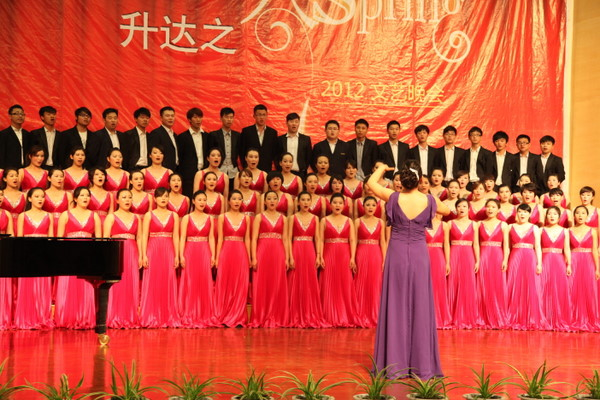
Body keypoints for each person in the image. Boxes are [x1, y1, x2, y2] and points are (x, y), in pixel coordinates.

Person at [369, 160, 450, 379]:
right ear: (419, 180)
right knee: (420, 304)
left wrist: (381, 169)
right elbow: (447, 209)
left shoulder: (393, 197)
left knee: (395, 302)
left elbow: (371, 184)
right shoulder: (428, 199)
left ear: (401, 181)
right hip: (419, 254)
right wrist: (428, 194)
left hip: (396, 253)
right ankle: (420, 364)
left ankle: (394, 363)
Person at [55, 187, 102, 329]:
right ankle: (67, 318)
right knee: (69, 285)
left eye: (87, 195)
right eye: (82, 195)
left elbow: (99, 240)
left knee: (85, 285)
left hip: (87, 255)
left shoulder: (94, 216)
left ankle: (85, 317)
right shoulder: (66, 215)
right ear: (75, 198)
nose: (85, 198)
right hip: (69, 254)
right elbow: (59, 239)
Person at [140, 187, 181, 328]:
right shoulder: (149, 215)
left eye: (166, 196)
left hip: (168, 250)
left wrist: (177, 254)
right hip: (153, 250)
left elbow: (176, 236)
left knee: (167, 280)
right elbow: (144, 235)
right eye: (160, 196)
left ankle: (167, 315)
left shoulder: (174, 215)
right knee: (153, 281)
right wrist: (144, 254)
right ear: (155, 199)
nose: (163, 199)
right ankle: (151, 315)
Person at [14, 188, 54, 329]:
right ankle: (26, 318)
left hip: (43, 254)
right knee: (27, 287)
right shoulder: (22, 216)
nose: (40, 199)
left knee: (43, 287)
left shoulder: (49, 216)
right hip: (27, 254)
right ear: (30, 199)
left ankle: (42, 318)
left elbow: (50, 239)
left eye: (42, 196)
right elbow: (19, 239)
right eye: (36, 196)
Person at [178, 190, 219, 328]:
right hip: (190, 251)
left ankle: (204, 313)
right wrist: (181, 255)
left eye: (204, 200)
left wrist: (213, 255)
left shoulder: (209, 218)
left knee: (204, 280)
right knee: (190, 281)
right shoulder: (186, 218)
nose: (202, 202)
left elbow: (211, 237)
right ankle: (189, 312)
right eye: (199, 200)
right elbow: (182, 237)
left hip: (204, 251)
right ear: (194, 201)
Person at [249, 191, 290, 327]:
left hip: (278, 252)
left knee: (277, 282)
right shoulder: (259, 217)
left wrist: (287, 257)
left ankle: (277, 316)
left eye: (274, 199)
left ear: (278, 201)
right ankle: (261, 315)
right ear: (265, 201)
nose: (272, 201)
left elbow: (285, 239)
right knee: (262, 283)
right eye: (269, 199)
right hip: (262, 252)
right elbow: (254, 238)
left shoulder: (283, 218)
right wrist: (254, 257)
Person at [287, 191, 327, 328]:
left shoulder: (315, 218)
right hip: (296, 249)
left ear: (311, 202)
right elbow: (288, 238)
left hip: (310, 250)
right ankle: (295, 314)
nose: (305, 202)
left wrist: (319, 255)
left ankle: (310, 312)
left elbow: (318, 238)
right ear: (298, 202)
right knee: (295, 280)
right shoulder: (292, 218)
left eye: (307, 200)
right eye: (302, 200)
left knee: (310, 281)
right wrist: (290, 256)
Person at [104, 189, 142, 329]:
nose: (127, 200)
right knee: (117, 285)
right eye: (124, 197)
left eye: (129, 197)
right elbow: (106, 239)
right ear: (117, 200)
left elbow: (139, 237)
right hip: (117, 252)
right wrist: (108, 257)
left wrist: (141, 255)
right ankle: (115, 316)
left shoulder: (136, 218)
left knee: (130, 284)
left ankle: (130, 316)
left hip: (132, 252)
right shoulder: (111, 217)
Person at [318, 193, 357, 327]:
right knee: (329, 283)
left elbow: (352, 240)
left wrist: (352, 257)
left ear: (344, 205)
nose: (337, 205)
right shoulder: (324, 220)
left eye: (340, 203)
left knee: (344, 283)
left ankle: (344, 314)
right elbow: (320, 239)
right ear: (330, 205)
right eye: (335, 202)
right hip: (329, 254)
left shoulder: (349, 220)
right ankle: (328, 315)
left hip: (344, 255)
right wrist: (320, 255)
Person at [214, 190, 251, 327]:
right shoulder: (222, 217)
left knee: (240, 284)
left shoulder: (246, 218)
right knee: (225, 283)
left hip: (241, 252)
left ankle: (238, 316)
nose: (237, 201)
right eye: (234, 198)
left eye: (239, 199)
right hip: (226, 251)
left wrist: (249, 257)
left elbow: (247, 239)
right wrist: (217, 257)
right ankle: (223, 314)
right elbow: (220, 239)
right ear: (229, 201)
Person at [505, 203, 545, 330]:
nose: (522, 214)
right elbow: (507, 247)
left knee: (530, 285)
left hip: (530, 257)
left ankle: (531, 317)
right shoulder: (510, 227)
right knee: (514, 285)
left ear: (529, 214)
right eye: (520, 212)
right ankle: (514, 316)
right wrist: (505, 260)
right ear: (517, 213)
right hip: (515, 258)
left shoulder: (534, 228)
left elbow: (537, 246)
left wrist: (539, 263)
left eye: (525, 212)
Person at [448, 198, 482, 329]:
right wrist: (447, 261)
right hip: (454, 254)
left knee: (468, 284)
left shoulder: (474, 224)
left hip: (468, 255)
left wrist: (477, 260)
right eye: (459, 206)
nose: (461, 208)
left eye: (464, 206)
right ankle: (452, 315)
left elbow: (476, 244)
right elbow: (446, 244)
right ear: (456, 209)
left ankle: (468, 316)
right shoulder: (450, 223)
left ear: (469, 209)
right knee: (454, 282)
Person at [354, 196, 387, 328]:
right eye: (368, 205)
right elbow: (354, 240)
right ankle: (360, 313)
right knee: (361, 281)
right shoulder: (357, 221)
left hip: (376, 254)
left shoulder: (381, 222)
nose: (370, 207)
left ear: (376, 207)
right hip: (361, 253)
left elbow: (383, 241)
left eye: (373, 205)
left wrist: (384, 259)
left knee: (375, 283)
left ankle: (376, 314)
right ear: (363, 207)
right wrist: (353, 257)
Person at [477, 199, 509, 329]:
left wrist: (505, 260)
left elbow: (506, 245)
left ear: (498, 209)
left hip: (497, 257)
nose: (490, 209)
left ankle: (498, 316)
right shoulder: (479, 224)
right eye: (488, 206)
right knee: (483, 285)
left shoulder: (503, 225)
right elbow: (476, 244)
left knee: (497, 286)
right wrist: (478, 260)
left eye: (493, 207)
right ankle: (483, 317)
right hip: (484, 257)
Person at [540, 206, 572, 331]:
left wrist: (569, 264)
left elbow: (567, 248)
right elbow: (537, 248)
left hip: (559, 262)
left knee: (558, 289)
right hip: (544, 261)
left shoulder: (565, 231)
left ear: (559, 217)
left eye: (554, 214)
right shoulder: (541, 230)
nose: (552, 216)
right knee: (544, 288)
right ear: (546, 216)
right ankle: (544, 318)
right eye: (549, 214)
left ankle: (558, 317)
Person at [569, 205, 600, 332]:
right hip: (574, 261)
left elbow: (594, 250)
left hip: (588, 261)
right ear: (574, 215)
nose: (580, 215)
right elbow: (567, 250)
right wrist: (568, 264)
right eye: (578, 213)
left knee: (589, 289)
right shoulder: (569, 230)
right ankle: (574, 318)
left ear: (587, 216)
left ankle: (590, 319)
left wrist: (597, 268)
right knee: (573, 289)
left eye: (583, 213)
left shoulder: (592, 231)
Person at [425, 211, 451, 329]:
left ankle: (439, 317)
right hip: (424, 256)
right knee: (424, 286)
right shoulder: (422, 224)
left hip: (439, 257)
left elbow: (446, 244)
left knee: (438, 286)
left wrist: (447, 262)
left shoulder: (444, 225)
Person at [177, 107, 209, 197]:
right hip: (188, 176)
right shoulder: (182, 137)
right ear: (189, 119)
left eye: (200, 117)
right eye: (195, 117)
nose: (198, 120)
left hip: (205, 174)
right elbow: (180, 158)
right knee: (189, 198)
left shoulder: (207, 136)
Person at [208, 107, 241, 188]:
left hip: (233, 171)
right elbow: (209, 153)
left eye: (231, 117)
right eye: (226, 117)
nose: (229, 120)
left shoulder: (237, 136)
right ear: (221, 118)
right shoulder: (214, 135)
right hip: (218, 170)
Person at [240, 104, 278, 171]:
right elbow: (242, 151)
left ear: (267, 116)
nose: (261, 117)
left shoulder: (272, 133)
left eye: (264, 115)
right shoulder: (246, 131)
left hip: (266, 168)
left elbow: (274, 152)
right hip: (250, 169)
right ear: (254, 116)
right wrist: (245, 166)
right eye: (259, 115)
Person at [276, 113, 312, 179]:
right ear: (287, 123)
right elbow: (276, 157)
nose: (294, 124)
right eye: (291, 121)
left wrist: (303, 169)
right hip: (283, 174)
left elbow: (308, 157)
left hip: (300, 174)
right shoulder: (280, 139)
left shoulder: (305, 139)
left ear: (299, 123)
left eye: (296, 121)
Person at [0, 104, 34, 170]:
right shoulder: (3, 134)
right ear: (10, 116)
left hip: (26, 169)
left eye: (22, 114)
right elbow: (1, 154)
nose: (20, 116)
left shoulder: (28, 134)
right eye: (16, 114)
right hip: (10, 170)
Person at [0, 188, 14, 329]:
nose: (0, 197)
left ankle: (3, 317)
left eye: (1, 195)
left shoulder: (7, 214)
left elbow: (10, 236)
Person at [149, 106, 179, 171]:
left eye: (172, 116)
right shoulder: (156, 133)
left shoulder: (175, 135)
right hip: (162, 169)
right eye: (167, 116)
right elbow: (153, 152)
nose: (170, 118)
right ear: (161, 118)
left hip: (176, 169)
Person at [124, 107, 152, 172]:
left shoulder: (150, 136)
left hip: (148, 169)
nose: (145, 120)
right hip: (133, 168)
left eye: (147, 118)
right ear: (135, 119)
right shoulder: (128, 135)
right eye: (142, 117)